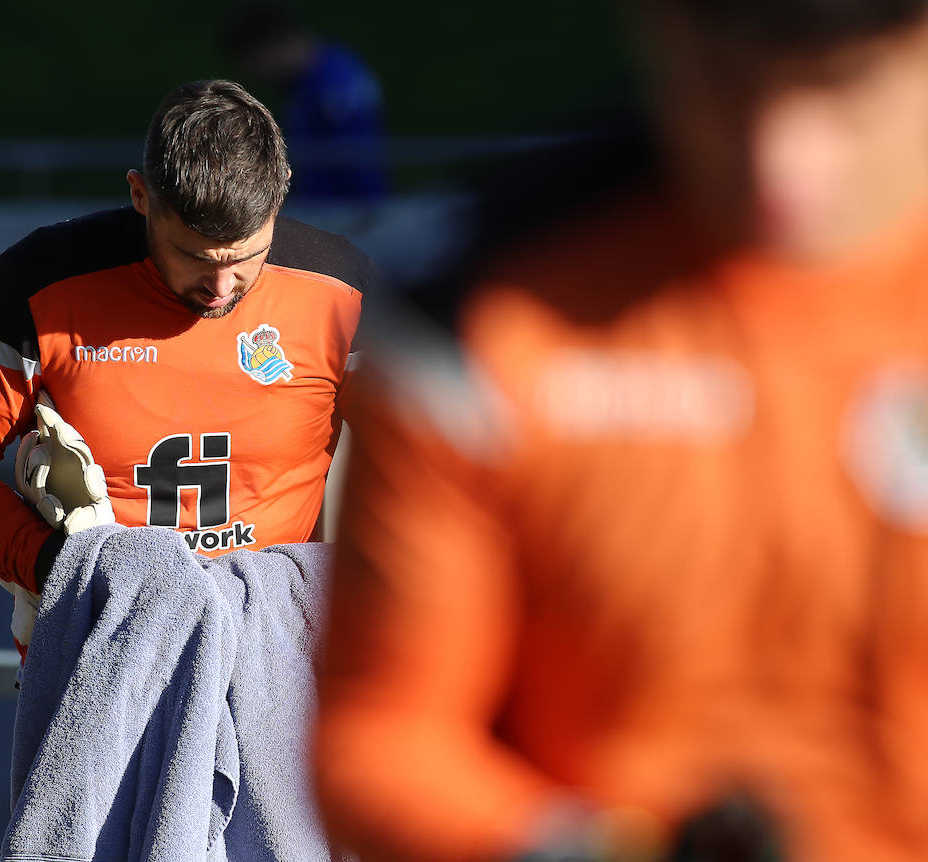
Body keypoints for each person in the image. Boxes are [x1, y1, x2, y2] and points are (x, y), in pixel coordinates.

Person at [311, 2, 928, 861]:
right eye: (724, 86)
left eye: (843, 90)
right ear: (656, 31)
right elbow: (383, 735)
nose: (779, 158)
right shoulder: (478, 315)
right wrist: (584, 850)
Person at [0, 79, 375, 655]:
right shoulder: (41, 284)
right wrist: (60, 569)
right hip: (95, 649)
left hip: (275, 655)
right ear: (139, 195)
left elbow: (421, 465)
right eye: (195, 258)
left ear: (280, 194)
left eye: (246, 258)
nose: (221, 287)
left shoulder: (340, 291)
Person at [223, 3, 388, 201]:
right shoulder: (316, 81)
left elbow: (354, 167)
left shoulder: (330, 86)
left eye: (253, 62)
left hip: (346, 213)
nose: (255, 75)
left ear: (271, 47)